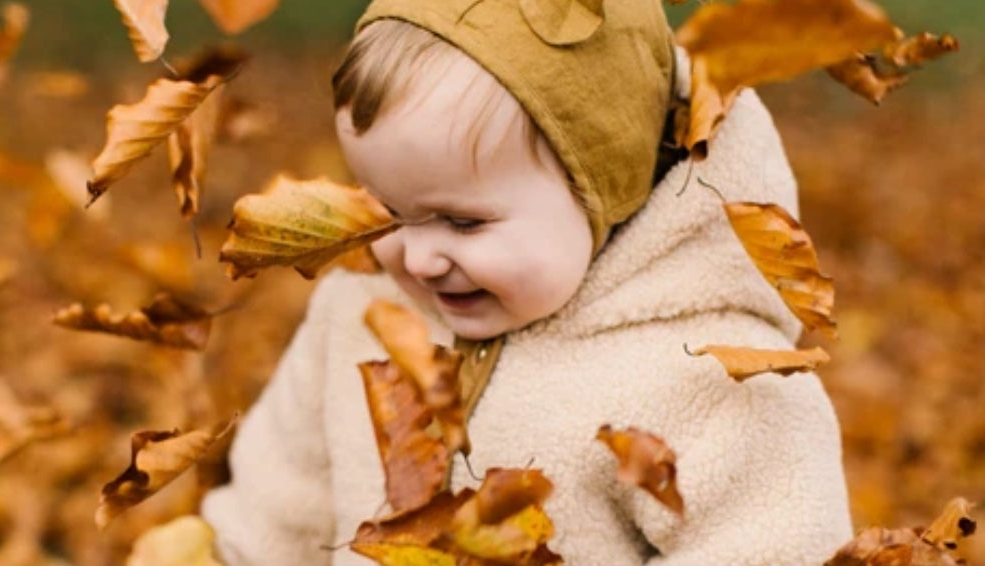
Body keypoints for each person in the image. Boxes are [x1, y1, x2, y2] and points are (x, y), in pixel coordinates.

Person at [202, 0, 852, 563]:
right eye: (388, 212)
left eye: (463, 222)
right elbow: (275, 518)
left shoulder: (705, 376)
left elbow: (775, 545)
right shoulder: (359, 317)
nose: (418, 256)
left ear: (605, 190)